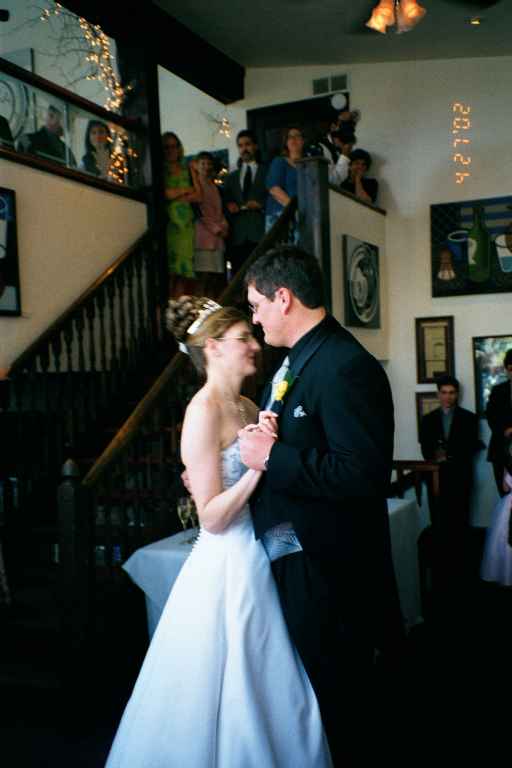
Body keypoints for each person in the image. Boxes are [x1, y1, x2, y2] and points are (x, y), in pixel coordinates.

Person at [105, 296, 333, 768]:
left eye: (251, 335)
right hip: (228, 558)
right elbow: (210, 516)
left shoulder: (249, 402)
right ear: (213, 348)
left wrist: (270, 444)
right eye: (242, 338)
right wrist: (257, 468)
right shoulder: (202, 410)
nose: (254, 343)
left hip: (268, 541)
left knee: (279, 666)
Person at [239, 245, 403, 765]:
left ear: (282, 297)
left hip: (331, 572)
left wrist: (274, 456)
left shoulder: (345, 364)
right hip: (295, 557)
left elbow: (362, 474)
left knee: (340, 702)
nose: (255, 317)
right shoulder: (297, 361)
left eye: (256, 305)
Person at [419, 375, 481, 533]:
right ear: (438, 394)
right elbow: (425, 449)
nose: (448, 396)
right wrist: (437, 456)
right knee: (438, 520)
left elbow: (473, 446)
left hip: (461, 474)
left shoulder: (469, 418)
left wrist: (450, 456)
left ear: (457, 394)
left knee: (461, 519)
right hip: (436, 476)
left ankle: (461, 555)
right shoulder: (427, 420)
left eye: (452, 392)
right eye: (444, 392)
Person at [163, 131, 202, 297]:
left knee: (186, 272)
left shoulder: (188, 169)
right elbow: (165, 194)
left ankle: (183, 308)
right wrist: (186, 191)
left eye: (174, 146)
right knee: (170, 272)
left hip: (187, 226)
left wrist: (176, 194)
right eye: (167, 147)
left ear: (179, 148)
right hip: (170, 225)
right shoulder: (160, 170)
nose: (171, 150)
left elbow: (199, 195)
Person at [223, 129, 267, 277]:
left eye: (247, 144)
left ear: (255, 146)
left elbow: (274, 198)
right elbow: (224, 203)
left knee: (263, 278)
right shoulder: (231, 177)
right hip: (238, 236)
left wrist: (261, 204)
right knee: (240, 280)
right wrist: (229, 206)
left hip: (260, 233)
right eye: (240, 145)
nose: (244, 149)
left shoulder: (266, 171)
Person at [194, 151, 228, 297]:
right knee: (204, 279)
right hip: (203, 238)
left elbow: (220, 211)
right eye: (203, 163)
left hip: (218, 239)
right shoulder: (196, 187)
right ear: (197, 166)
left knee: (216, 279)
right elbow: (199, 213)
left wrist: (225, 227)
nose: (206, 167)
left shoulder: (215, 187)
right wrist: (216, 228)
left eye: (209, 164)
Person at [481, 437, 512, 585]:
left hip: (509, 503)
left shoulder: (507, 465)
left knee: (502, 538)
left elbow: (505, 488)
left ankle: (505, 572)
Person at [265, 126, 304, 240]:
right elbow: (274, 189)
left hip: (302, 218)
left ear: (303, 141)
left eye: (297, 136)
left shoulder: (308, 165)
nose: (293, 139)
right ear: (286, 142)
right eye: (290, 137)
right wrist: (294, 210)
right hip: (280, 216)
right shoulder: (279, 161)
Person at [486, 348, 512, 497]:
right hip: (500, 450)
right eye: (511, 369)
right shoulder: (497, 391)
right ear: (506, 369)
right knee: (505, 497)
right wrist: (504, 430)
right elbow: (491, 417)